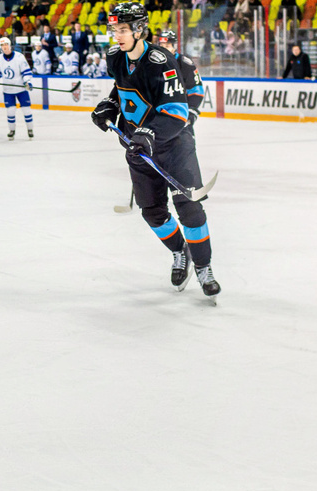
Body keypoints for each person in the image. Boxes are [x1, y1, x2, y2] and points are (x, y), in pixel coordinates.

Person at [91, 2, 220, 299]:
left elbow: (176, 111)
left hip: (175, 144)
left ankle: (203, 265)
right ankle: (180, 252)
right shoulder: (115, 57)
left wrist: (149, 132)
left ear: (139, 29)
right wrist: (109, 105)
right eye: (115, 29)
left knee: (189, 208)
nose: (117, 35)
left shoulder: (161, 61)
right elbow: (121, 87)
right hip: (139, 148)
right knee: (152, 212)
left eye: (123, 30)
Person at [0, 37, 35, 140]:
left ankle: (30, 129)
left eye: (6, 45)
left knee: (26, 110)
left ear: (9, 45)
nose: (4, 47)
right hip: (8, 90)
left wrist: (27, 82)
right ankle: (12, 130)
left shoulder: (19, 57)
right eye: (2, 45)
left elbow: (26, 72)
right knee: (10, 111)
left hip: (21, 90)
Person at [158, 30, 205, 127]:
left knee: (185, 142)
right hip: (157, 116)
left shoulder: (184, 64)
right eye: (161, 46)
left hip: (179, 115)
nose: (164, 50)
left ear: (174, 47)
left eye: (167, 46)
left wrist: (191, 109)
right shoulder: (152, 63)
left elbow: (196, 90)